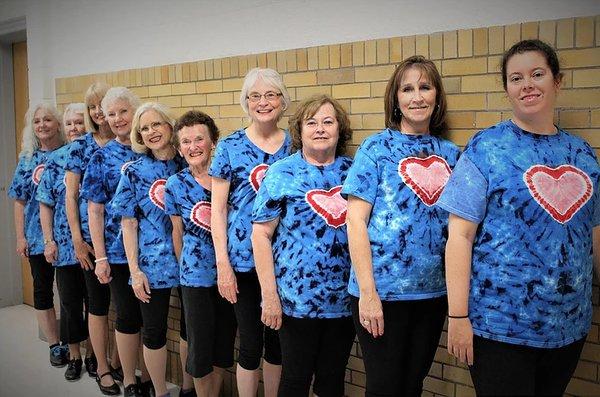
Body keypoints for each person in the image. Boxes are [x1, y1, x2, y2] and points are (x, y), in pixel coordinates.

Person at [437, 39, 600, 396]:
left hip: (568, 327)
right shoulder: (487, 147)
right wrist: (458, 316)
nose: (527, 84)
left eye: (537, 74)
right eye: (516, 78)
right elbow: (459, 237)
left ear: (557, 81)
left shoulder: (583, 154)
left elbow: (594, 233)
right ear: (507, 89)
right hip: (500, 328)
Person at [343, 55, 460, 396]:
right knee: (384, 387)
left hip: (433, 294)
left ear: (437, 96)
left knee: (412, 385)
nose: (417, 97)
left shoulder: (451, 154)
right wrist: (367, 294)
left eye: (425, 87)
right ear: (395, 99)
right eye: (407, 89)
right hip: (381, 294)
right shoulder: (376, 148)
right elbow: (355, 221)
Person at [252, 94, 355, 397]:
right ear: (300, 130)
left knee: (332, 381)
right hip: (297, 301)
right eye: (312, 122)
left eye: (328, 121)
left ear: (339, 129)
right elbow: (260, 236)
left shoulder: (355, 171)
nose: (320, 129)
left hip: (345, 300)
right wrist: (269, 296)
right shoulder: (282, 172)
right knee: (295, 380)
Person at [210, 67, 290, 396]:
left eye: (270, 94)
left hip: (286, 262)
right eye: (254, 96)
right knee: (250, 343)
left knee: (278, 343)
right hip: (243, 262)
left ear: (283, 101)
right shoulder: (229, 146)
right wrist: (223, 265)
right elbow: (217, 210)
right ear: (245, 102)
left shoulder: (296, 144)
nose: (262, 102)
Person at [113, 102, 185, 397]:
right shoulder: (134, 171)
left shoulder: (189, 162)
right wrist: (134, 271)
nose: (152, 132)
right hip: (152, 265)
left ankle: (189, 389)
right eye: (144, 128)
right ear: (138, 136)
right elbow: (128, 225)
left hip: (192, 262)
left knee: (190, 330)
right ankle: (159, 391)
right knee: (154, 331)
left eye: (157, 124)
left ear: (170, 126)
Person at [165, 110, 237, 397]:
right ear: (179, 148)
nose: (193, 147)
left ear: (213, 142)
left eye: (199, 139)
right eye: (185, 142)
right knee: (200, 347)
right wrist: (186, 269)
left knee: (222, 345)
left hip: (230, 274)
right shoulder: (175, 185)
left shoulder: (229, 178)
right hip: (195, 279)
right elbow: (177, 232)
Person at [82, 87, 147, 397]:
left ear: (135, 111)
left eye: (124, 111)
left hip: (154, 252)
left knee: (151, 320)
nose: (118, 118)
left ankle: (147, 375)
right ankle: (130, 379)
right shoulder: (101, 156)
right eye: (111, 114)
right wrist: (102, 258)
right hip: (118, 251)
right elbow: (94, 210)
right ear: (103, 119)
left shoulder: (150, 147)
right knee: (127, 315)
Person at [65, 82, 118, 386]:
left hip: (125, 240)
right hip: (90, 240)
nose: (98, 112)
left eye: (103, 105)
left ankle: (117, 359)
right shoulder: (80, 147)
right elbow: (71, 197)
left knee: (122, 307)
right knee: (97, 304)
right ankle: (102, 367)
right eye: (92, 107)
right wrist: (77, 239)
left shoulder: (129, 142)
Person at [8, 102, 68, 367]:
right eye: (36, 121)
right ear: (32, 128)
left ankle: (73, 343)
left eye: (47, 120)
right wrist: (20, 237)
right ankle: (54, 344)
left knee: (71, 293)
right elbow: (18, 201)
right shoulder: (27, 160)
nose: (42, 125)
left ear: (57, 124)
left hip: (67, 235)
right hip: (35, 237)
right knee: (43, 290)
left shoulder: (69, 154)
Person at [37, 103, 91, 381]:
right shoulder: (55, 159)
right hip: (66, 247)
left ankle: (94, 355)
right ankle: (75, 356)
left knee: (96, 305)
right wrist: (49, 241)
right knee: (70, 304)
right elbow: (44, 204)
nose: (74, 128)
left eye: (79, 122)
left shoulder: (97, 153)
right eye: (69, 123)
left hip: (94, 245)